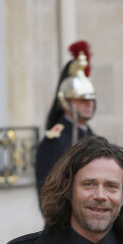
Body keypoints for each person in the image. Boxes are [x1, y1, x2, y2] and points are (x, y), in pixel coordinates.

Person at [35, 40, 96, 198]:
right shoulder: (55, 141)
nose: (89, 104)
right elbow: (50, 194)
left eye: (90, 99)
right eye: (81, 99)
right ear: (65, 102)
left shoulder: (91, 135)